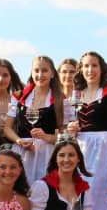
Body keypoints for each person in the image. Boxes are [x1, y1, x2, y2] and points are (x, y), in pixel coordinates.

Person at [67, 51, 107, 210]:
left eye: (94, 65)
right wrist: (71, 129)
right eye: (86, 66)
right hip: (81, 151)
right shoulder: (76, 95)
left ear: (101, 69)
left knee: (101, 196)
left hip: (104, 152)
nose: (90, 70)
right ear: (80, 69)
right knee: (79, 194)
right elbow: (69, 128)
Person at [4, 55, 63, 184]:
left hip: (47, 154)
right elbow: (7, 128)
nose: (40, 75)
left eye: (45, 70)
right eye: (36, 70)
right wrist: (19, 140)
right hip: (22, 152)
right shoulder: (19, 96)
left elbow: (65, 135)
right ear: (31, 72)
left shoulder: (60, 99)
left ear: (52, 74)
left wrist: (47, 137)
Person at [57, 58, 78, 127]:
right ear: (59, 75)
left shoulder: (84, 96)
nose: (68, 75)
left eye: (72, 72)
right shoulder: (52, 97)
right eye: (64, 72)